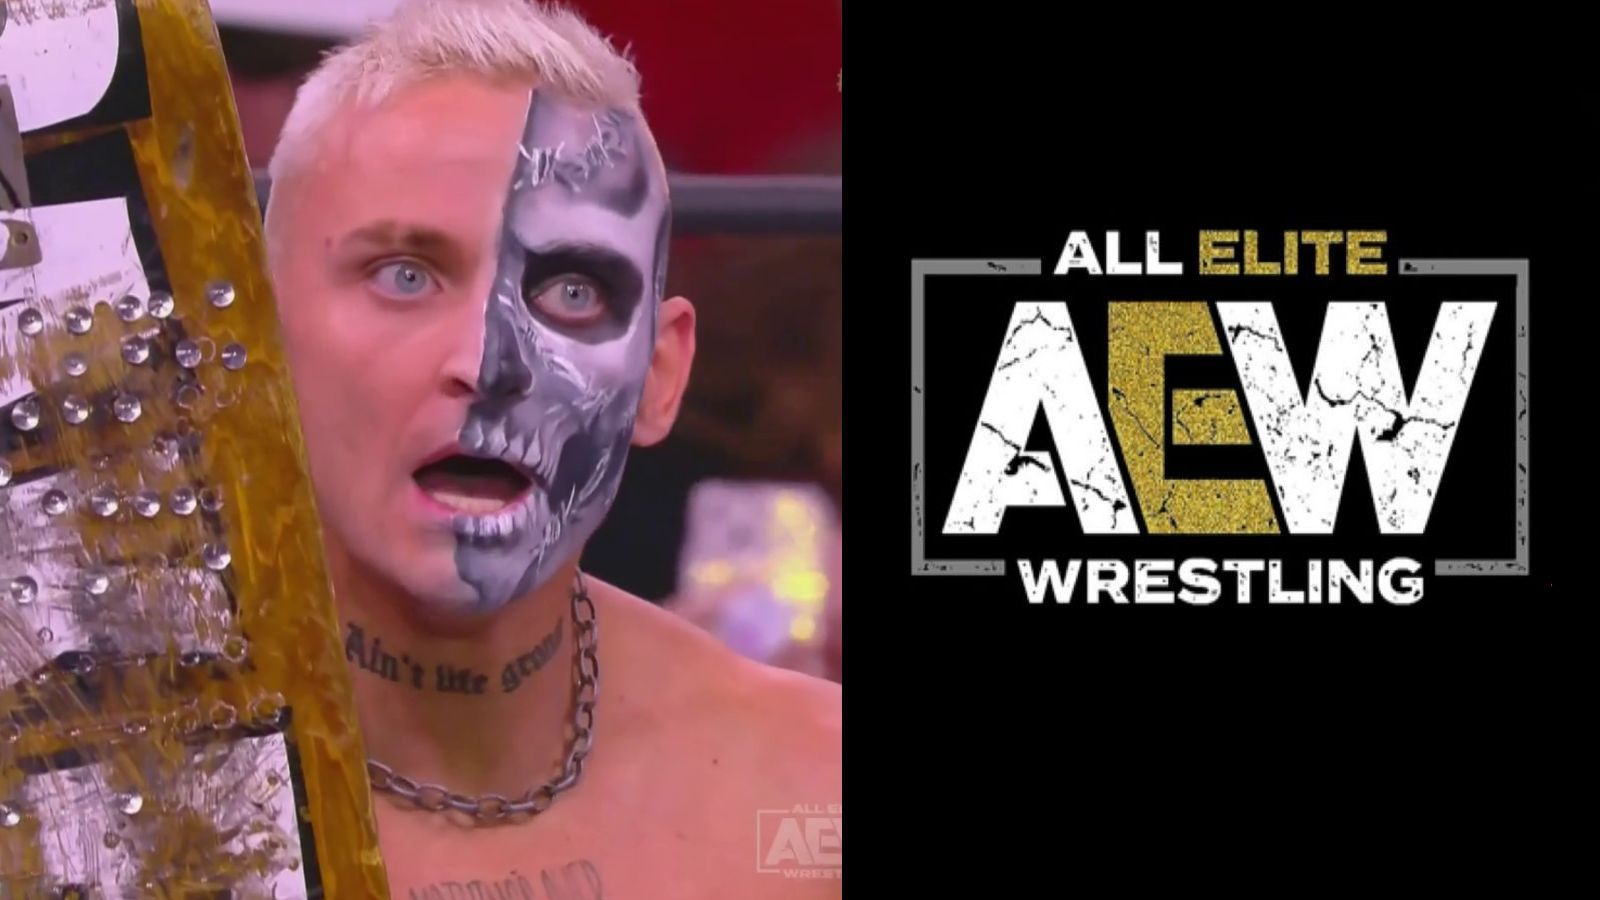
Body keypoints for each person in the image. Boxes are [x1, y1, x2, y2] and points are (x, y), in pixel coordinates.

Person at [261, 1, 841, 895]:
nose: (487, 363)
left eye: (572, 290)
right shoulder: (92, 789)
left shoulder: (810, 793)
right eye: (404, 275)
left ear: (659, 375)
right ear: (260, 338)